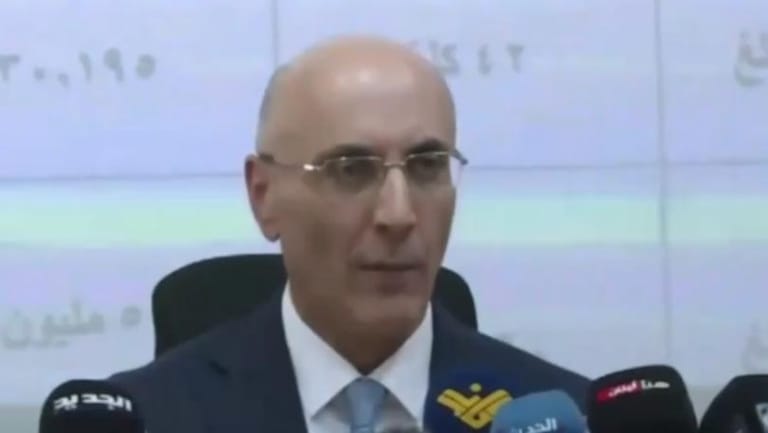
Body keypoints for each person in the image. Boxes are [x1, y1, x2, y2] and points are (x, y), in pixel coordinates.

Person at [109, 35, 590, 433]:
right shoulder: (146, 419)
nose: (398, 215)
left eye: (427, 166)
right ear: (264, 195)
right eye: (351, 170)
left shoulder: (567, 416)